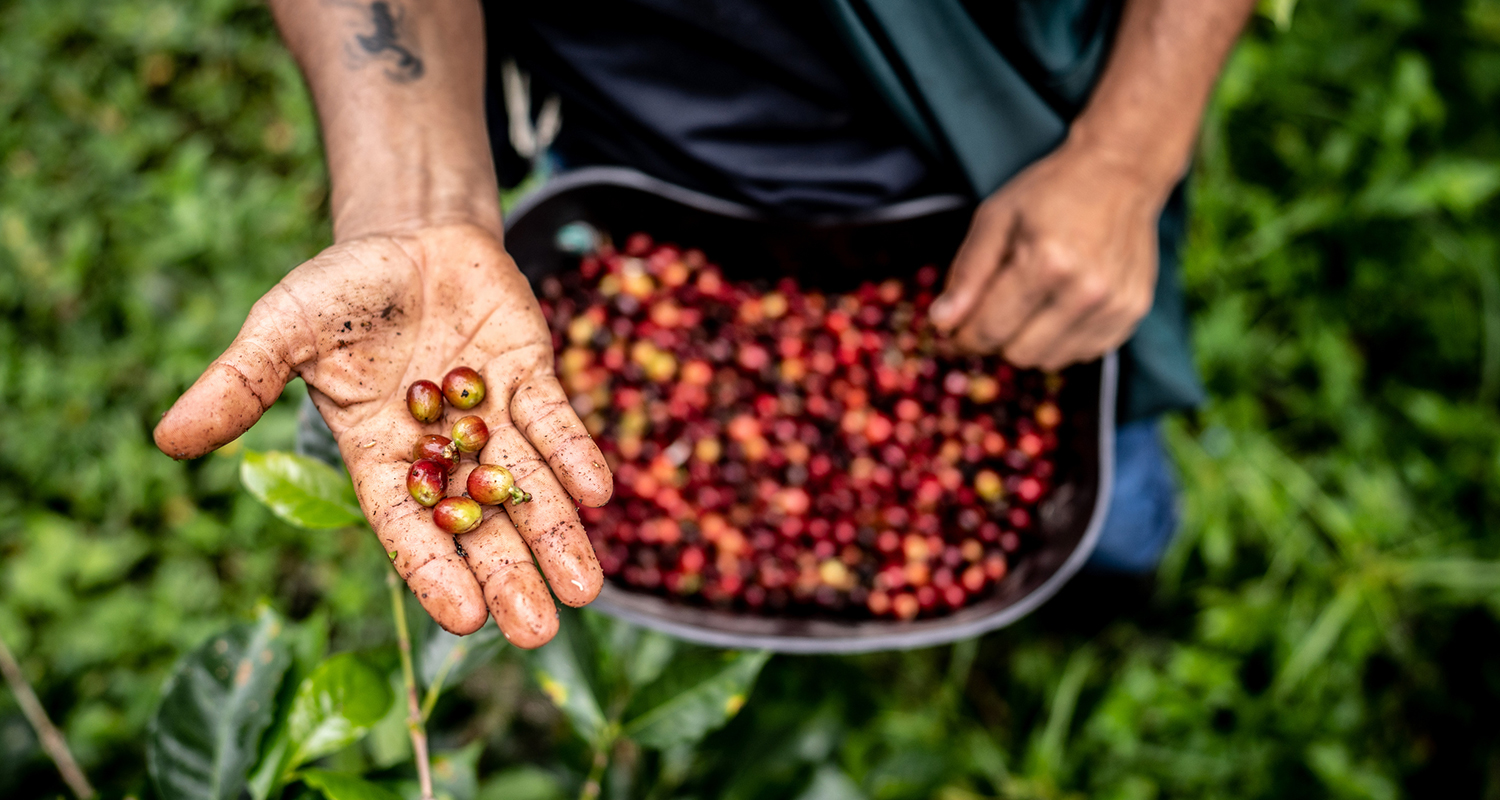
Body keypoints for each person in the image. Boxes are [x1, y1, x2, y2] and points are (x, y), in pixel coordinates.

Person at [153, 0, 1256, 648]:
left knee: (1100, 490)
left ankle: (1107, 605)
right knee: (599, 492)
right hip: (640, 154)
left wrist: (1129, 151)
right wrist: (420, 202)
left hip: (1021, 158)